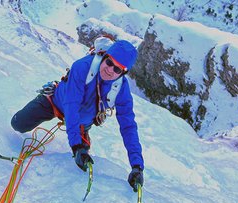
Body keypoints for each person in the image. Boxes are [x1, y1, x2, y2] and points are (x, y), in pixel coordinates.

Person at [11, 39, 144, 192]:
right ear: (105, 56)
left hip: (82, 121)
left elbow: (128, 127)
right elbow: (71, 105)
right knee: (18, 124)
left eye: (117, 69)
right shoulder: (83, 67)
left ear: (123, 73)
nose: (110, 70)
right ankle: (53, 91)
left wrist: (137, 166)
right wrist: (76, 145)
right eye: (109, 62)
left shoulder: (121, 90)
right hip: (56, 102)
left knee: (83, 164)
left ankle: (82, 139)